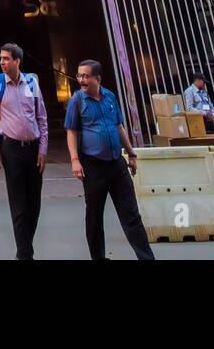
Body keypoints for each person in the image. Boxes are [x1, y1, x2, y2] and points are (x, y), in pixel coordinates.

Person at [66, 60, 155, 261]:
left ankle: (146, 257)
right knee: (95, 216)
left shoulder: (110, 97)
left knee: (131, 214)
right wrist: (74, 160)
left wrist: (131, 153)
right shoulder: (77, 101)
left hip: (116, 163)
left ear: (97, 79)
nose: (81, 80)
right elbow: (71, 131)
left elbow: (118, 127)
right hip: (93, 166)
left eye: (85, 76)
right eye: (79, 75)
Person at [0, 42, 49, 260]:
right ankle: (25, 254)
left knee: (34, 202)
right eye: (0, 58)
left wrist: (43, 148)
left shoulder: (32, 82)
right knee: (19, 203)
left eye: (6, 58)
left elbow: (42, 117)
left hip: (34, 149)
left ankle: (25, 248)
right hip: (11, 148)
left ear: (17, 61)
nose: (2, 62)